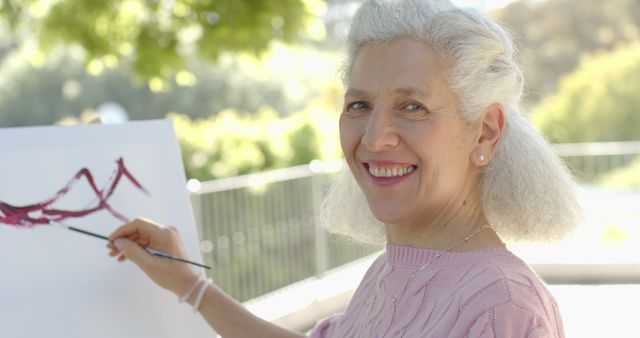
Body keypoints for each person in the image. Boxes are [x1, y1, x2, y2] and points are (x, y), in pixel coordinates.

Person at [107, 0, 582, 337]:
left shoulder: (502, 308)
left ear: (485, 134)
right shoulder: (390, 271)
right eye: (359, 104)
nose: (374, 137)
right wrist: (190, 285)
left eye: (412, 106)